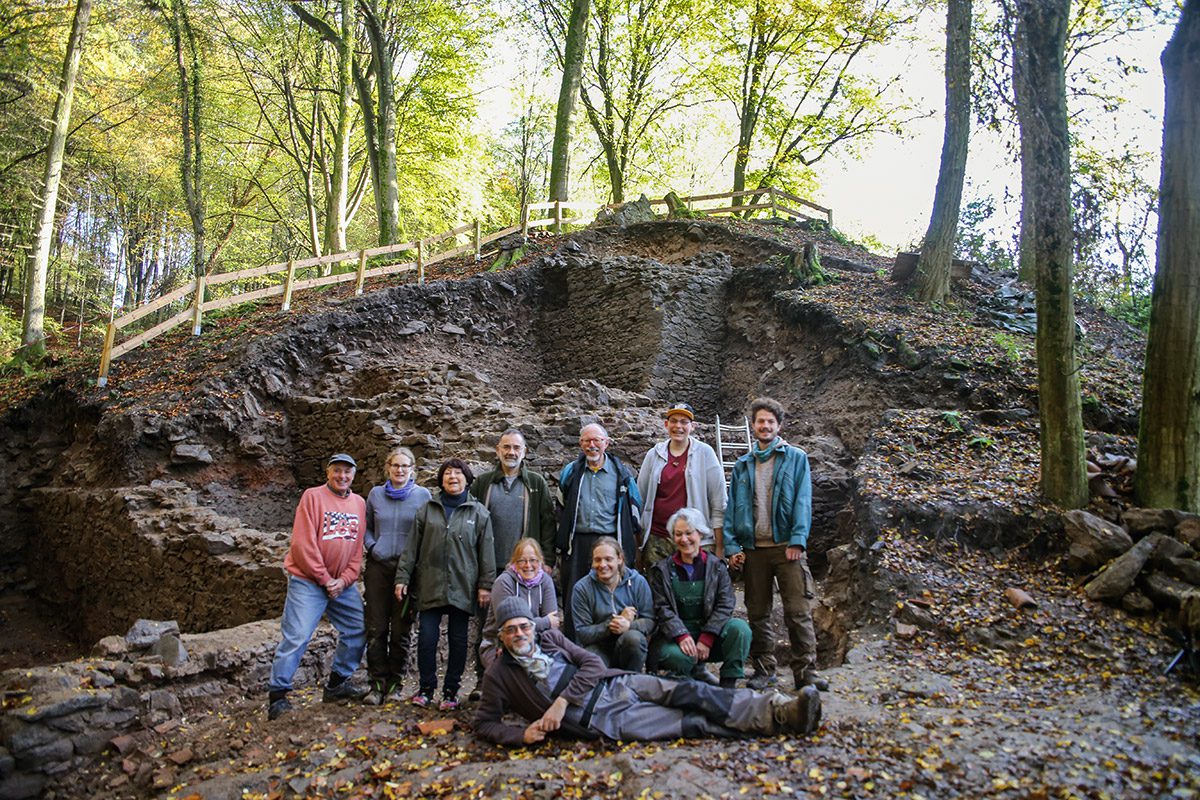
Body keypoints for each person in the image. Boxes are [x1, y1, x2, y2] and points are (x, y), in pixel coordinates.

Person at [473, 596, 822, 746]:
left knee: (691, 691)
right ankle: (776, 725)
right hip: (601, 719)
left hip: (619, 683)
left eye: (524, 626)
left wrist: (562, 701)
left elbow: (593, 663)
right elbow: (484, 723)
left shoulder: (550, 638)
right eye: (511, 629)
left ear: (533, 627)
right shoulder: (499, 675)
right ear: (501, 636)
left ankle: (779, 707)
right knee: (690, 723)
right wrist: (520, 736)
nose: (520, 633)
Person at [724, 397, 827, 692]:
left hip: (786, 548)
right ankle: (763, 669)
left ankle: (806, 672)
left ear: (778, 426)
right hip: (754, 550)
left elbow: (803, 501)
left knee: (797, 611)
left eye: (770, 421)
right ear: (753, 426)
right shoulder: (743, 464)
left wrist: (797, 540)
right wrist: (732, 547)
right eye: (760, 421)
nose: (765, 426)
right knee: (758, 613)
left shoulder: (796, 458)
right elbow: (732, 509)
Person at [267, 454, 369, 721]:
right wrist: (325, 580)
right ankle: (278, 696)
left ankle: (337, 683)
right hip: (309, 581)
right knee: (297, 636)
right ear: (328, 472)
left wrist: (345, 579)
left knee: (358, 628)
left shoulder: (359, 503)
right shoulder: (312, 497)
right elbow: (303, 544)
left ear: (354, 475)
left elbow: (357, 548)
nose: (342, 476)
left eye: (347, 472)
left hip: (342, 584)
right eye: (337, 471)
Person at [395, 458, 496, 711]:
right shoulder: (428, 509)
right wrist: (402, 577)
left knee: (458, 640)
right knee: (427, 638)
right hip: (430, 584)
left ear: (467, 479)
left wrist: (486, 585)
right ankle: (426, 689)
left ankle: (451, 691)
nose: (453, 477)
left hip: (463, 586)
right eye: (448, 473)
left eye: (458, 474)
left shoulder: (479, 512)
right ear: (441, 480)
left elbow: (487, 553)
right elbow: (411, 548)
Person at [468, 429, 557, 698]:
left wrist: (548, 561)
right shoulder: (483, 483)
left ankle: (529, 679)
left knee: (523, 623)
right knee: (488, 626)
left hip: (525, 566)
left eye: (516, 448)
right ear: (497, 450)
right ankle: (485, 680)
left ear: (524, 452)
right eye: (506, 447)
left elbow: (547, 523)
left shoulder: (536, 483)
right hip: (490, 566)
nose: (511, 452)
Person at [648, 508, 750, 689]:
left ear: (701, 534)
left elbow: (726, 604)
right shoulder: (662, 571)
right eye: (678, 534)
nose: (684, 539)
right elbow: (662, 608)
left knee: (740, 629)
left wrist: (707, 637)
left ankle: (728, 685)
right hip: (675, 637)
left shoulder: (717, 567)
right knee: (682, 658)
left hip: (708, 633)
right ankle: (689, 681)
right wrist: (681, 635)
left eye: (689, 533)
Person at [361, 447, 432, 705]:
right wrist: (372, 547)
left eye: (405, 466)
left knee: (401, 630)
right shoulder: (376, 495)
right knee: (376, 627)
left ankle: (395, 683)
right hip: (379, 568)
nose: (400, 470)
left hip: (408, 571)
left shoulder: (423, 496)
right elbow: (366, 527)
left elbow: (427, 532)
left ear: (413, 469)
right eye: (395, 465)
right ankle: (376, 683)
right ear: (388, 468)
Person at [557, 422, 642, 633]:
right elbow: (560, 507)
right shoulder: (571, 472)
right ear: (580, 444)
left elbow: (634, 509)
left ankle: (610, 645)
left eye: (596, 440)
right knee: (574, 594)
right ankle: (573, 646)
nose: (591, 445)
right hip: (577, 543)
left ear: (607, 443)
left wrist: (631, 546)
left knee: (610, 593)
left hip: (610, 541)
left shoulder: (621, 473)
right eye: (587, 440)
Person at [636, 402, 727, 567]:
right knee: (658, 590)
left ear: (692, 426)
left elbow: (718, 502)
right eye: (674, 421)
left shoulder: (705, 453)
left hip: (694, 539)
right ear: (666, 424)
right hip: (657, 538)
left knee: (692, 589)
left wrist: (719, 547)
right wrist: (639, 541)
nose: (678, 426)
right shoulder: (654, 455)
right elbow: (639, 498)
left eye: (684, 422)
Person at [570, 537, 654, 672]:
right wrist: (612, 625)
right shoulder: (582, 588)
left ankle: (632, 681)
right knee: (593, 664)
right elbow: (582, 632)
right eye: (597, 560)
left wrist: (628, 625)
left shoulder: (638, 582)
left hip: (627, 643)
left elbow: (650, 621)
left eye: (608, 559)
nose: (602, 565)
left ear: (619, 559)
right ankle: (600, 689)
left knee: (634, 639)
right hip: (597, 646)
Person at [478, 538, 561, 669]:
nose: (528, 565)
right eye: (522, 560)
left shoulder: (546, 581)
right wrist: (545, 621)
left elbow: (554, 623)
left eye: (533, 560)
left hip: (536, 642)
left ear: (540, 562)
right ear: (514, 563)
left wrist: (547, 624)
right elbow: (510, 626)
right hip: (501, 644)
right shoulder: (504, 582)